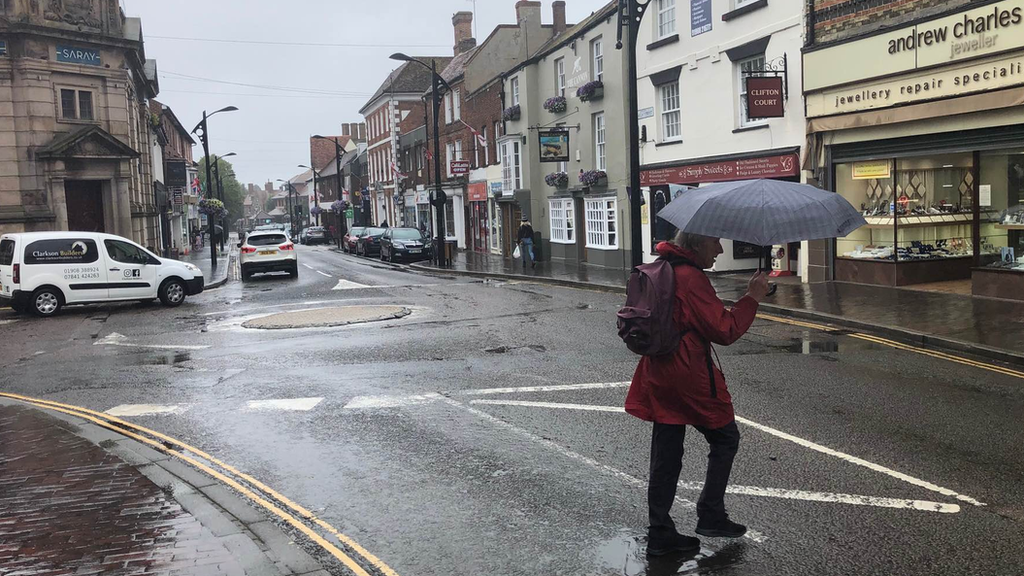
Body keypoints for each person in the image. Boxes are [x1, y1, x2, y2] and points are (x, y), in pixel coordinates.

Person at [625, 231, 770, 557]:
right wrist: (752, 297)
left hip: (659, 370)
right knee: (725, 437)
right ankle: (711, 513)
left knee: (666, 452)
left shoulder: (664, 266)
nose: (720, 248)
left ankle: (661, 531)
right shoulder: (691, 278)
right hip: (687, 373)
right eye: (715, 241)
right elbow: (725, 330)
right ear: (696, 243)